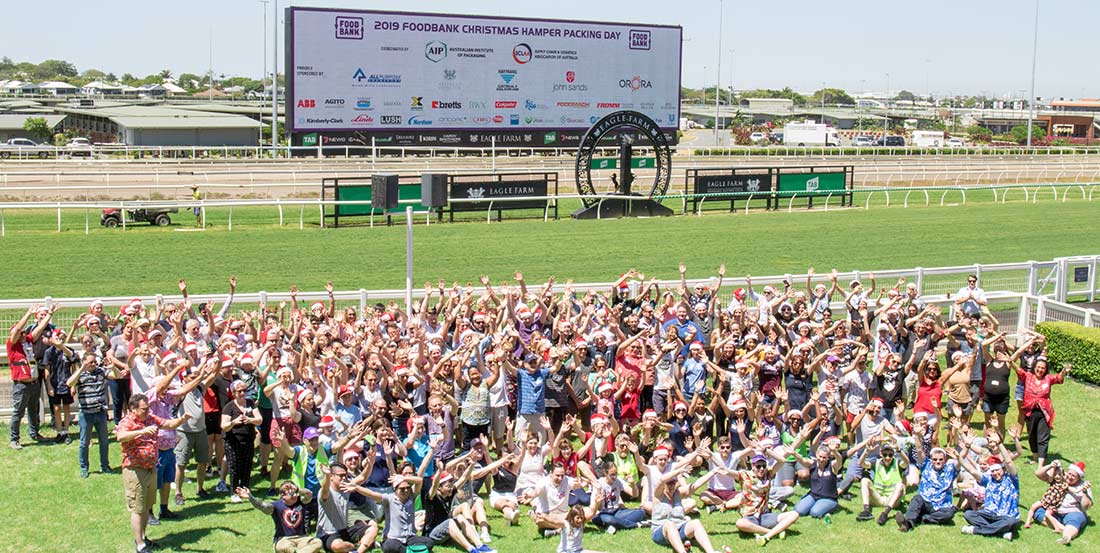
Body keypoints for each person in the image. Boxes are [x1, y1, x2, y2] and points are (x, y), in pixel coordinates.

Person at [115, 394, 190, 553]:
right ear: (133, 409)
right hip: (135, 470)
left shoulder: (150, 417)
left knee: (147, 506)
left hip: (151, 468)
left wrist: (182, 419)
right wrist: (141, 431)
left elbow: (168, 424)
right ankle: (139, 544)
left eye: (148, 407)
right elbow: (120, 436)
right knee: (137, 507)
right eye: (144, 408)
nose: (147, 410)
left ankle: (143, 537)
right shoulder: (128, 421)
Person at [68, 350, 124, 478]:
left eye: (94, 362)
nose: (93, 364)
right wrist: (81, 368)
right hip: (85, 414)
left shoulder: (100, 372)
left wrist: (112, 367)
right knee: (84, 442)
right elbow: (69, 383)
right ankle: (84, 468)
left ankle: (105, 465)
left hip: (100, 412)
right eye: (90, 362)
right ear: (84, 362)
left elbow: (118, 376)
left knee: (104, 441)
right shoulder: (80, 374)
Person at [8, 305, 55, 448]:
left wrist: (49, 314)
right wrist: (28, 314)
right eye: (21, 333)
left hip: (33, 383)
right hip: (21, 384)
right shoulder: (12, 345)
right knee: (19, 412)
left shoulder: (27, 341)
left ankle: (35, 433)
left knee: (33, 410)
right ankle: (14, 439)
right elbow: (16, 331)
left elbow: (39, 329)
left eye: (23, 333)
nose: (23, 335)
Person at [957, 437, 1020, 540]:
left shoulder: (1012, 479)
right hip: (989, 514)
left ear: (1003, 469)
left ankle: (975, 530)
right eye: (993, 471)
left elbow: (1008, 462)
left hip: (1006, 516)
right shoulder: (988, 479)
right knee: (969, 514)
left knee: (1010, 522)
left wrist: (999, 443)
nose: (995, 473)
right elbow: (973, 472)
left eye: (997, 470)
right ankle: (1001, 532)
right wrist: (959, 459)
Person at [238, 483, 324, 553]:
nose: (294, 495)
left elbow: (309, 494)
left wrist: (297, 489)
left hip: (302, 538)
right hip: (284, 539)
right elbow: (261, 505)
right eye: (290, 493)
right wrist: (250, 497)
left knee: (318, 542)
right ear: (283, 496)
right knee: (284, 547)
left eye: (294, 492)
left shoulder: (301, 501)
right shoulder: (276, 506)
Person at [316, 463, 379, 553]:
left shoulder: (346, 487)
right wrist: (326, 475)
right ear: (331, 477)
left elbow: (362, 477)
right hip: (328, 533)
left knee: (373, 529)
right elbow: (324, 489)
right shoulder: (327, 491)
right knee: (337, 546)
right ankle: (354, 546)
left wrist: (371, 461)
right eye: (340, 476)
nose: (344, 478)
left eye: (345, 475)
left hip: (345, 530)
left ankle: (358, 551)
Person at [1017, 358, 1069, 465]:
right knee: (1032, 436)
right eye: (1038, 367)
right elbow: (1019, 371)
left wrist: (1064, 370)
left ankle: (1041, 464)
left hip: (1044, 412)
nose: (1040, 370)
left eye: (1043, 368)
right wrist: (1010, 361)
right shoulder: (1028, 377)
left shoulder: (1048, 379)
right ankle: (1035, 458)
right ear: (1034, 368)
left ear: (1045, 370)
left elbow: (1058, 378)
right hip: (1030, 411)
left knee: (1042, 438)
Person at [896, 446, 958, 531]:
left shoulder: (950, 469)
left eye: (941, 459)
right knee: (917, 498)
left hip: (941, 507)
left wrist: (964, 450)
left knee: (949, 514)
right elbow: (919, 451)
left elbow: (959, 463)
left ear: (945, 460)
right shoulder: (926, 465)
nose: (938, 461)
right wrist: (917, 436)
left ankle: (921, 518)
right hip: (925, 502)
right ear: (931, 460)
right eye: (935, 459)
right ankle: (908, 523)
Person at [1033, 460, 1093, 545]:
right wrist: (1050, 466)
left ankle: (1066, 536)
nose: (1070, 477)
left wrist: (1084, 492)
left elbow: (1086, 506)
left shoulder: (1083, 486)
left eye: (1073, 476)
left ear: (1079, 478)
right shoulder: (1060, 476)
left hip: (1072, 512)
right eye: (1069, 474)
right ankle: (1062, 528)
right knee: (1038, 512)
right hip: (1054, 509)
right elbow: (1038, 474)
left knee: (1075, 520)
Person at [222, 379, 262, 501]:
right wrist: (234, 422)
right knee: (234, 466)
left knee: (247, 465)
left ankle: (245, 489)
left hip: (248, 439)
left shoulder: (250, 403)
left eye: (244, 390)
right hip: (233, 440)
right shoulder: (229, 407)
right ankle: (234, 491)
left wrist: (250, 420)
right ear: (234, 393)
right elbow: (224, 426)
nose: (242, 393)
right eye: (239, 391)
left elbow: (259, 419)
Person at [857, 442, 907, 525]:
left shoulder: (897, 463)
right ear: (881, 454)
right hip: (878, 497)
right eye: (885, 455)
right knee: (864, 480)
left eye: (890, 455)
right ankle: (866, 511)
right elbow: (861, 464)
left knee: (900, 486)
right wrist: (866, 452)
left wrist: (899, 450)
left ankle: (885, 513)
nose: (887, 457)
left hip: (892, 500)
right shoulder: (876, 463)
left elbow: (906, 462)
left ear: (893, 455)